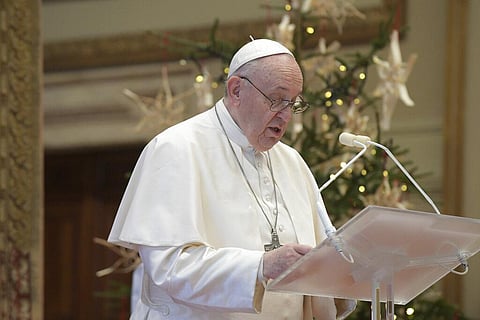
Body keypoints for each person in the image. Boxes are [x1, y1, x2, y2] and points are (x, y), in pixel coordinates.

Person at [108, 38, 355, 319]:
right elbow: (170, 267)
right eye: (276, 100)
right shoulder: (176, 148)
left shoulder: (292, 162)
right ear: (236, 90)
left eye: (293, 103)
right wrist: (261, 266)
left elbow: (321, 262)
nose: (285, 116)